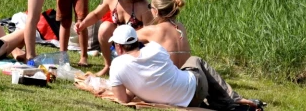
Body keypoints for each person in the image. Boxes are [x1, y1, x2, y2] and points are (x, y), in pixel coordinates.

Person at [107, 25, 263, 110]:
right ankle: (232, 100)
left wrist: (133, 87)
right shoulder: (155, 48)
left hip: (184, 102)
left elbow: (123, 99)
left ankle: (229, 102)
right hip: (194, 89)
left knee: (192, 67)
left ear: (119, 47)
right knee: (196, 60)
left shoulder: (117, 66)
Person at [74, 0, 153, 77]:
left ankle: (136, 68)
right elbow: (96, 14)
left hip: (137, 46)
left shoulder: (143, 6)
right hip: (118, 43)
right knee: (104, 27)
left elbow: (150, 35)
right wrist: (83, 24)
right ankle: (108, 66)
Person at [136, 0, 191, 68]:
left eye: (150, 7)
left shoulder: (153, 30)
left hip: (167, 77)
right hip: (185, 74)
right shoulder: (181, 27)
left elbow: (125, 38)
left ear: (156, 11)